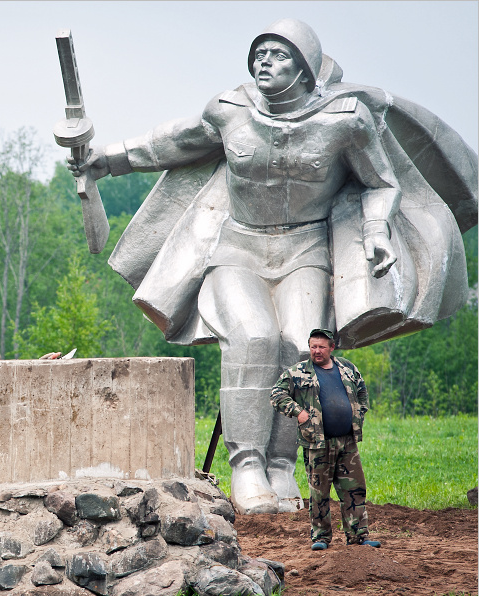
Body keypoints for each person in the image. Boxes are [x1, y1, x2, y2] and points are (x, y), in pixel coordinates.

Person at [68, 18, 473, 514]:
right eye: (259, 53)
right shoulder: (230, 110)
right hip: (237, 249)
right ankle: (246, 466)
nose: (264, 62)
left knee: (300, 348)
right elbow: (171, 142)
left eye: (279, 55)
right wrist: (106, 160)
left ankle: (281, 468)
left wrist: (376, 232)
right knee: (254, 337)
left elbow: (382, 183)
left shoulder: (346, 119)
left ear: (305, 70)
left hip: (307, 252)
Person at [270, 329, 381, 550]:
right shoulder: (298, 372)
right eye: (313, 347)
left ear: (331, 347)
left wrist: (359, 412)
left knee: (354, 489)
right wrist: (299, 412)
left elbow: (361, 390)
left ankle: (358, 536)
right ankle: (321, 537)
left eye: (321, 347)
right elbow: (276, 394)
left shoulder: (347, 368)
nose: (316, 351)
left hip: (347, 441)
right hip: (317, 443)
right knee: (319, 493)